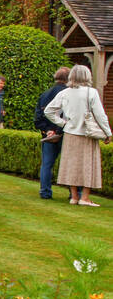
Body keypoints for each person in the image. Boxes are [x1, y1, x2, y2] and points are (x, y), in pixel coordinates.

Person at [44, 64, 112, 207]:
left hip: (70, 133)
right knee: (88, 165)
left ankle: (74, 196)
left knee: (72, 165)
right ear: (87, 76)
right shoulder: (91, 92)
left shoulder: (65, 92)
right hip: (87, 134)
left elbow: (49, 111)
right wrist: (107, 133)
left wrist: (63, 123)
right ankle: (84, 198)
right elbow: (100, 115)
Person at [34, 66, 71, 201]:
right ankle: (74, 193)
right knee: (69, 164)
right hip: (64, 133)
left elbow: (38, 117)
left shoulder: (44, 94)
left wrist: (47, 130)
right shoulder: (69, 94)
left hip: (48, 134)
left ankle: (45, 192)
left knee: (47, 164)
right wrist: (58, 131)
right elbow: (68, 115)